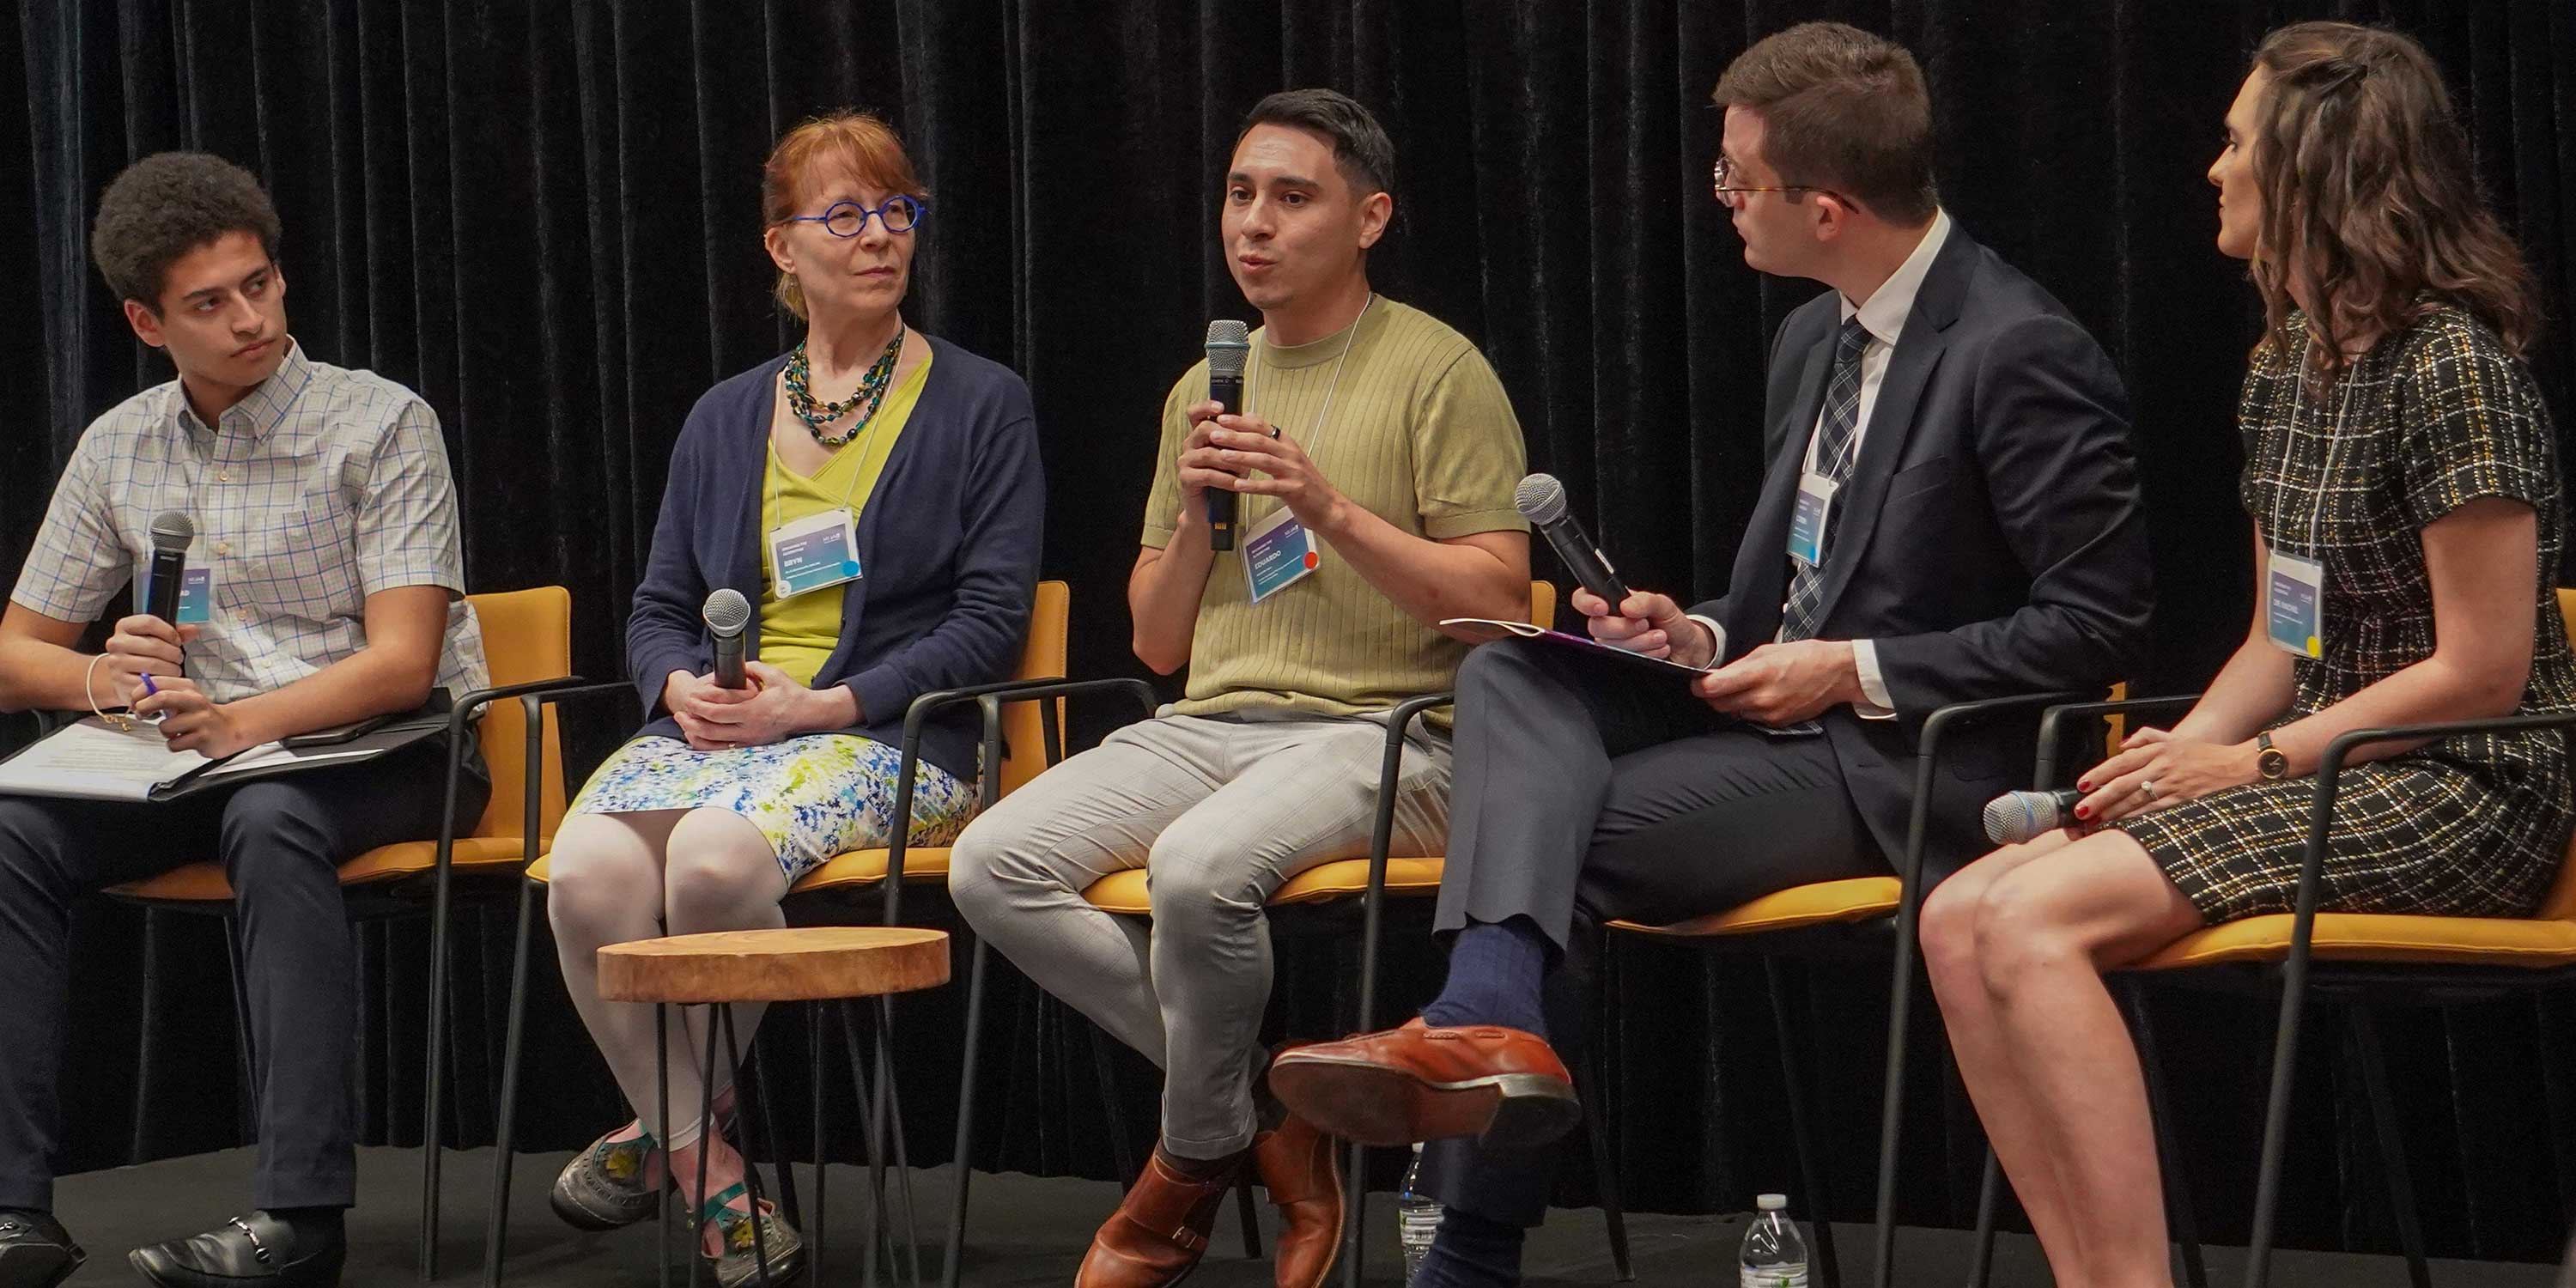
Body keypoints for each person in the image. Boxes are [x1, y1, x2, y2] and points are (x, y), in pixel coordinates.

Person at [1269, 23, 2154, 1287]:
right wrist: (1696, 638)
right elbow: (1789, 590)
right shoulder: (1815, 337)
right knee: (1507, 669)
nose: (1723, 202)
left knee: (1546, 839)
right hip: (1772, 722)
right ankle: (1487, 1026)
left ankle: (1467, 1200)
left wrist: (1847, 669)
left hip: (1908, 766)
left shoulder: (2019, 351)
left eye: (1739, 181)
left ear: (1828, 207)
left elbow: (2098, 624)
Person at [1909, 21, 2576, 1288]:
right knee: (1958, 914)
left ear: (2320, 166)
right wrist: (2179, 754)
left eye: (2236, 142)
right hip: (2316, 764)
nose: (2214, 169)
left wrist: (2251, 766)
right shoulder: (2286, 369)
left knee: (2038, 918)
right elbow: (2288, 633)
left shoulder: (2455, 372)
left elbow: (2482, 672)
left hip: (2460, 786)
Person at [946, 88, 1532, 1288]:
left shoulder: (1439, 370)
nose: (1253, 225)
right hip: (1211, 723)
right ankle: (1259, 1108)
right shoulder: (1201, 390)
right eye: (1239, 194)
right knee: (989, 864)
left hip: (1399, 733)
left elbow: (1501, 606)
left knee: (1198, 872)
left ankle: (1183, 1164)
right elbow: (1159, 645)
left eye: (1292, 198)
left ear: (1370, 218)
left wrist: (1324, 507)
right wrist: (1206, 512)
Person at [538, 111, 1042, 1286]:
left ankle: (658, 1136)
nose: (881, 238)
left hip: (892, 736)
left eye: (897, 212)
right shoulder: (724, 416)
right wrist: (676, 682)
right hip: (718, 733)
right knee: (588, 875)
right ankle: (710, 1168)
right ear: (781, 247)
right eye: (847, 215)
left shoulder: (981, 402)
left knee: (709, 864)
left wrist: (816, 708)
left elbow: (988, 624)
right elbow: (658, 605)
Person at [0, 152, 492, 1288]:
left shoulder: (379, 423)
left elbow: (404, 663)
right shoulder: (121, 444)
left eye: (260, 285)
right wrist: (102, 681)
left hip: (397, 750)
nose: (249, 318)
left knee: (271, 816)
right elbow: (17, 654)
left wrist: (244, 722)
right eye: (210, 304)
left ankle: (299, 1220)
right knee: (15, 831)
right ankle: (18, 1210)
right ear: (144, 320)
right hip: (200, 761)